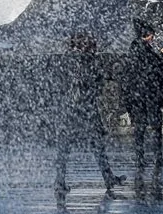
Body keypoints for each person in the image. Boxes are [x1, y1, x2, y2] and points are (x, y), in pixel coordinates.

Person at [54, 32, 126, 199]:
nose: (95, 48)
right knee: (95, 146)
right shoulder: (83, 61)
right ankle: (107, 179)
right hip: (82, 111)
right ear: (85, 46)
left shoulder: (69, 61)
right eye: (92, 45)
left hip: (70, 111)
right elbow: (87, 84)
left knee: (66, 149)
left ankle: (60, 182)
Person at [121, 19, 163, 197]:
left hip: (136, 95)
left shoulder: (133, 50)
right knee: (155, 126)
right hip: (147, 94)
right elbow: (154, 69)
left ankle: (141, 158)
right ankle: (156, 157)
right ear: (146, 35)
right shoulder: (144, 50)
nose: (153, 37)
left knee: (140, 127)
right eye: (151, 34)